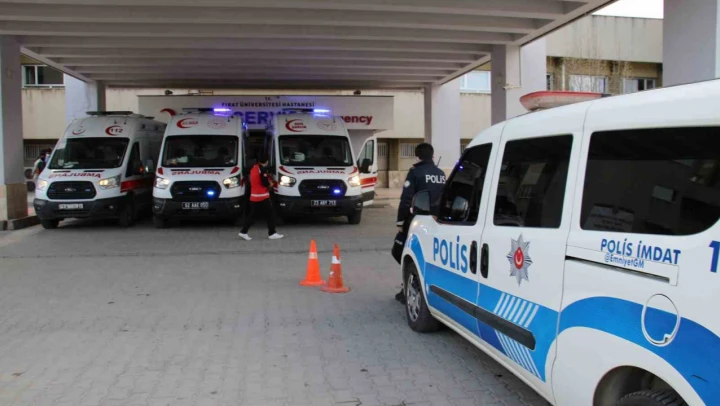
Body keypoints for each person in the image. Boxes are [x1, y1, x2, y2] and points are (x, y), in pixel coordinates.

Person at [395, 143, 446, 304]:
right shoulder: (441, 174)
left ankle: (408, 289)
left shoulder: (415, 172)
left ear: (417, 157)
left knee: (402, 252)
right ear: (432, 155)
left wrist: (400, 222)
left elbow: (406, 199)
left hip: (417, 221)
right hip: (437, 221)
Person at [238, 156, 284, 241]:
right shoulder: (262, 170)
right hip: (262, 196)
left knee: (253, 215)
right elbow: (264, 183)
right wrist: (270, 184)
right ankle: (272, 233)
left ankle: (244, 231)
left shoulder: (254, 168)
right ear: (266, 162)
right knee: (270, 214)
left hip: (254, 195)